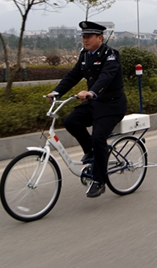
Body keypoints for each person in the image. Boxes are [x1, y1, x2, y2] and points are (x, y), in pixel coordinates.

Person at [47, 21, 127, 198]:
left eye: (88, 36)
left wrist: (91, 92)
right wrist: (56, 92)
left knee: (99, 138)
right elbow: (73, 75)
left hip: (112, 106)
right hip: (94, 104)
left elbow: (106, 77)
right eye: (83, 36)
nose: (85, 40)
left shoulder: (111, 55)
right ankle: (91, 151)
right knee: (71, 121)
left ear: (100, 37)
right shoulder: (85, 55)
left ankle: (99, 181)